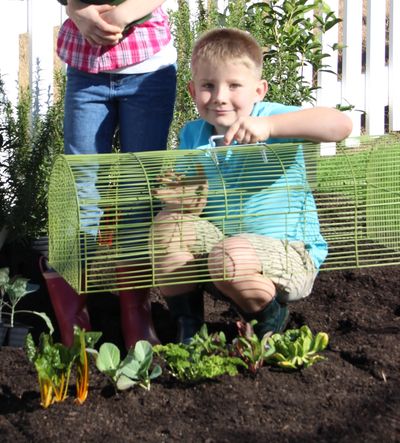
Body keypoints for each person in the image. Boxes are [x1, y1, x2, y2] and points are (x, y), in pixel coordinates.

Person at [150, 28, 352, 344]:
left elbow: (340, 125)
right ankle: (188, 327)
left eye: (234, 86)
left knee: (227, 255)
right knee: (167, 226)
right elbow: (190, 205)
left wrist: (270, 127)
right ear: (192, 90)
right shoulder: (193, 135)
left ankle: (269, 316)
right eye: (208, 85)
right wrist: (180, 199)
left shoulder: (270, 117)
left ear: (258, 90)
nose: (219, 96)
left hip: (288, 254)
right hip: (224, 255)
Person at [43, 0, 177, 349]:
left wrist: (122, 15)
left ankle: (136, 312)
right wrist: (76, 10)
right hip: (87, 72)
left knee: (138, 185)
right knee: (81, 182)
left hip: (148, 70)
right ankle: (75, 316)